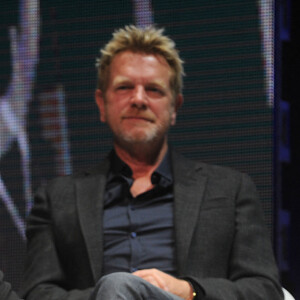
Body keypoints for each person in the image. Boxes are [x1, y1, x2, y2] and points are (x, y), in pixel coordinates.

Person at [21, 25, 283, 300]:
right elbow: (37, 294)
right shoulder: (57, 198)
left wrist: (186, 289)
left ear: (174, 109)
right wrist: (115, 293)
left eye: (154, 90)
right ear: (101, 103)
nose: (138, 99)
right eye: (124, 87)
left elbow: (265, 291)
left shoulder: (230, 189)